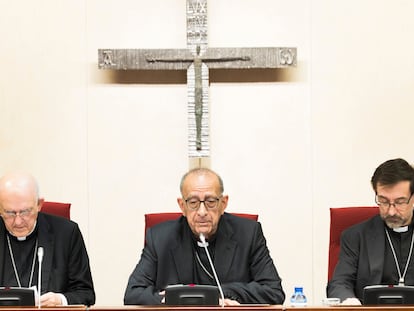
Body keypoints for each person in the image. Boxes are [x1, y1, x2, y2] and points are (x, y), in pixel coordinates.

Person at [124, 167, 285, 305]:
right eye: (193, 202)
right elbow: (132, 294)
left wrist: (220, 294)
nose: (202, 212)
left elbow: (274, 292)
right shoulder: (160, 237)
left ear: (223, 203)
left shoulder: (248, 233)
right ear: (182, 205)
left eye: (210, 202)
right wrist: (172, 299)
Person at [0, 171, 95, 306]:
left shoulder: (66, 233)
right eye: (9, 213)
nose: (18, 221)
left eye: (25, 212)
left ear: (39, 204)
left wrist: (61, 300)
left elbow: (86, 294)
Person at [327, 158, 414, 305]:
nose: (391, 211)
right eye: (383, 201)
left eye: (399, 202)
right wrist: (350, 301)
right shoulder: (355, 237)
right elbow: (339, 283)